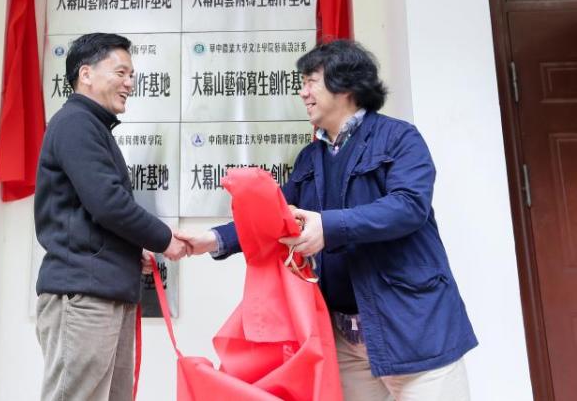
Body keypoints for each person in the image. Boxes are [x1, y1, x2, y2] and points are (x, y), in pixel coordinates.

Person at [178, 40, 477, 401]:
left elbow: (409, 206)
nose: (302, 92)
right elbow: (275, 217)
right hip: (344, 337)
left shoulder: (400, 138)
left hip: (414, 328)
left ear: (346, 85)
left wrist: (329, 227)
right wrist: (214, 239)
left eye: (311, 82)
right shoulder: (310, 156)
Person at [33, 33, 188, 401]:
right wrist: (164, 239)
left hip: (105, 292)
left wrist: (133, 250)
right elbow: (108, 204)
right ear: (86, 74)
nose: (129, 83)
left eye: (131, 74)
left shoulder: (92, 127)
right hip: (84, 296)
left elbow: (94, 213)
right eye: (121, 72)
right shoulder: (76, 124)